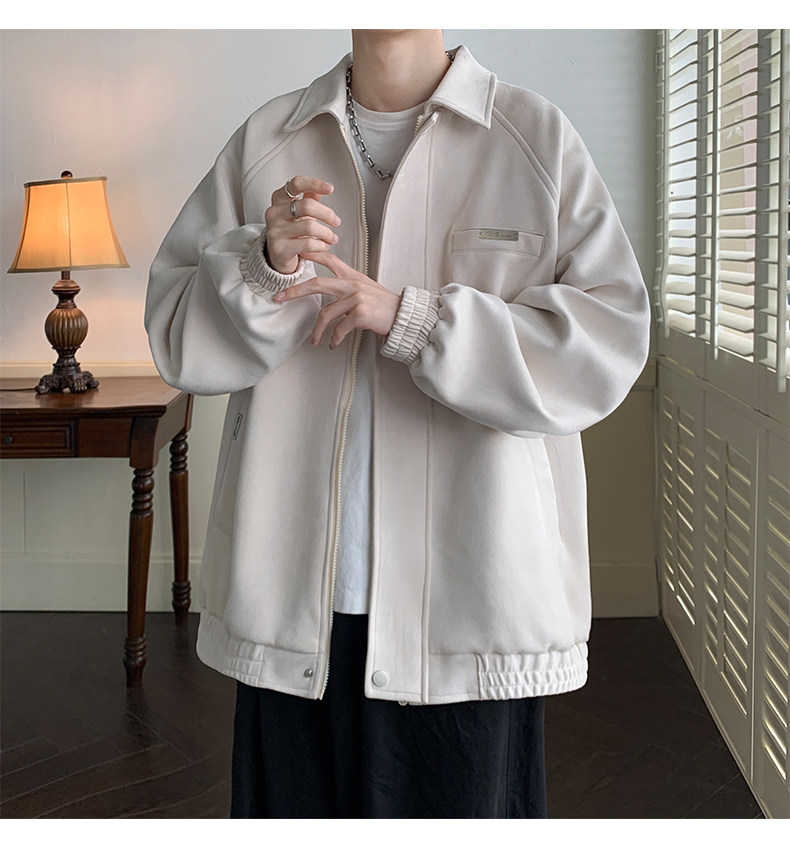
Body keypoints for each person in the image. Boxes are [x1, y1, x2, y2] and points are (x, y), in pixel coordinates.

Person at [144, 29, 651, 818]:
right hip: (296, 605)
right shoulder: (267, 140)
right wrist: (262, 267)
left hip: (472, 607)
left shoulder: (533, 137)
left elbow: (607, 343)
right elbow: (178, 336)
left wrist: (417, 320)